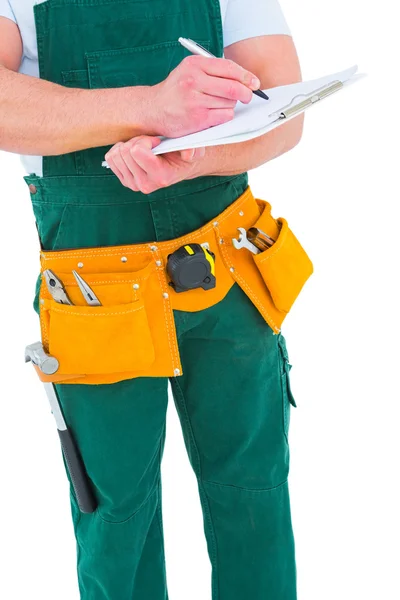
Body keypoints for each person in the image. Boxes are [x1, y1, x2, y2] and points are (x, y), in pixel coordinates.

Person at [0, 1, 305, 599]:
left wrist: (189, 161)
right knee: (115, 510)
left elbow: (285, 114)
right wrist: (147, 105)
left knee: (254, 490)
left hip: (226, 268)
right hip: (95, 289)